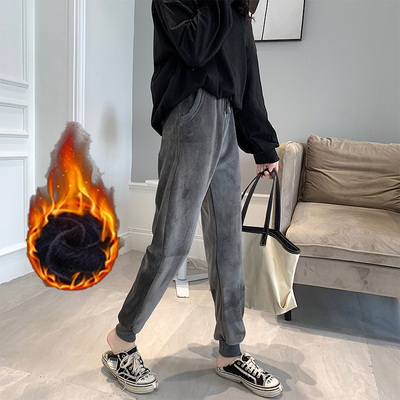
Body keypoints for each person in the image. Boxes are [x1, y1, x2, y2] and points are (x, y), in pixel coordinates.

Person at [102, 0, 282, 397]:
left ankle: (231, 352)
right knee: (173, 241)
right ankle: (121, 341)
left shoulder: (236, 6)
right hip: (191, 114)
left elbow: (247, 73)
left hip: (226, 121)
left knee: (228, 246)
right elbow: (195, 48)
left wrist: (263, 143)